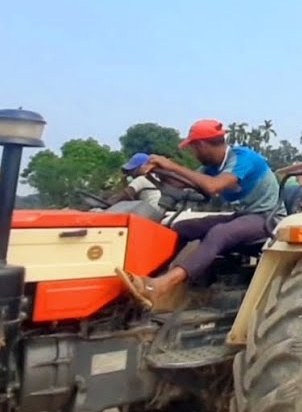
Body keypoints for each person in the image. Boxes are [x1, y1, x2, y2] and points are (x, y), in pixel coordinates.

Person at [114, 119, 284, 310]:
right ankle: (146, 278)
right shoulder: (211, 167)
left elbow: (212, 186)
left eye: (192, 149)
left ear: (201, 145)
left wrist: (171, 166)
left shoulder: (243, 158)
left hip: (267, 217)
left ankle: (161, 286)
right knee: (182, 228)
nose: (192, 154)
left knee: (220, 233)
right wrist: (158, 170)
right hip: (243, 216)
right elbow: (180, 183)